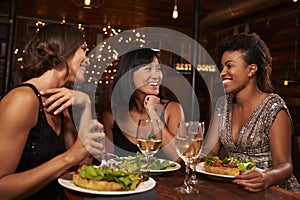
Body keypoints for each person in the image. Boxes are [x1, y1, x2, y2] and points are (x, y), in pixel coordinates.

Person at [0, 23, 104, 199]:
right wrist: (68, 157)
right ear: (63, 51)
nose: (88, 58)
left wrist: (85, 104)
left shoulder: (59, 104)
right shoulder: (23, 100)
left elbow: (82, 169)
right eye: (83, 49)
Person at [203, 33, 300, 193]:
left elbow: (285, 165)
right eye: (222, 67)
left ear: (251, 69)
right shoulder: (222, 104)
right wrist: (193, 157)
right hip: (236, 188)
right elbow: (211, 151)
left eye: (229, 66)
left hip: (274, 191)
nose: (222, 73)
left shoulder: (273, 107)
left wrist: (267, 177)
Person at [101, 48, 184, 161]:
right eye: (148, 69)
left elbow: (177, 157)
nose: (156, 76)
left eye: (158, 69)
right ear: (129, 76)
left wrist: (152, 113)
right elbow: (106, 162)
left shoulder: (173, 109)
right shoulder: (110, 117)